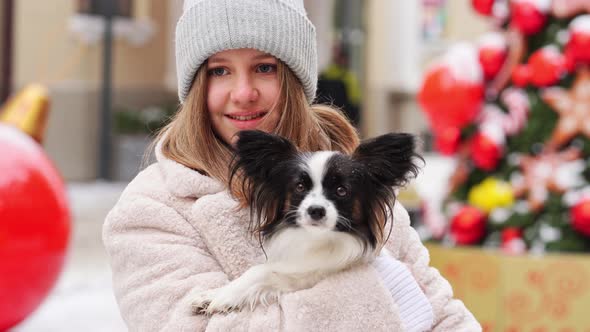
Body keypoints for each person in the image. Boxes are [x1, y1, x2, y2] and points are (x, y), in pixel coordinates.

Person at [103, 0, 481, 331]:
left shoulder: (355, 184)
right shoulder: (152, 209)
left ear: (296, 80)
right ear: (197, 86)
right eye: (220, 71)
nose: (243, 92)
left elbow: (442, 313)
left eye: (265, 68)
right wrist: (386, 295)